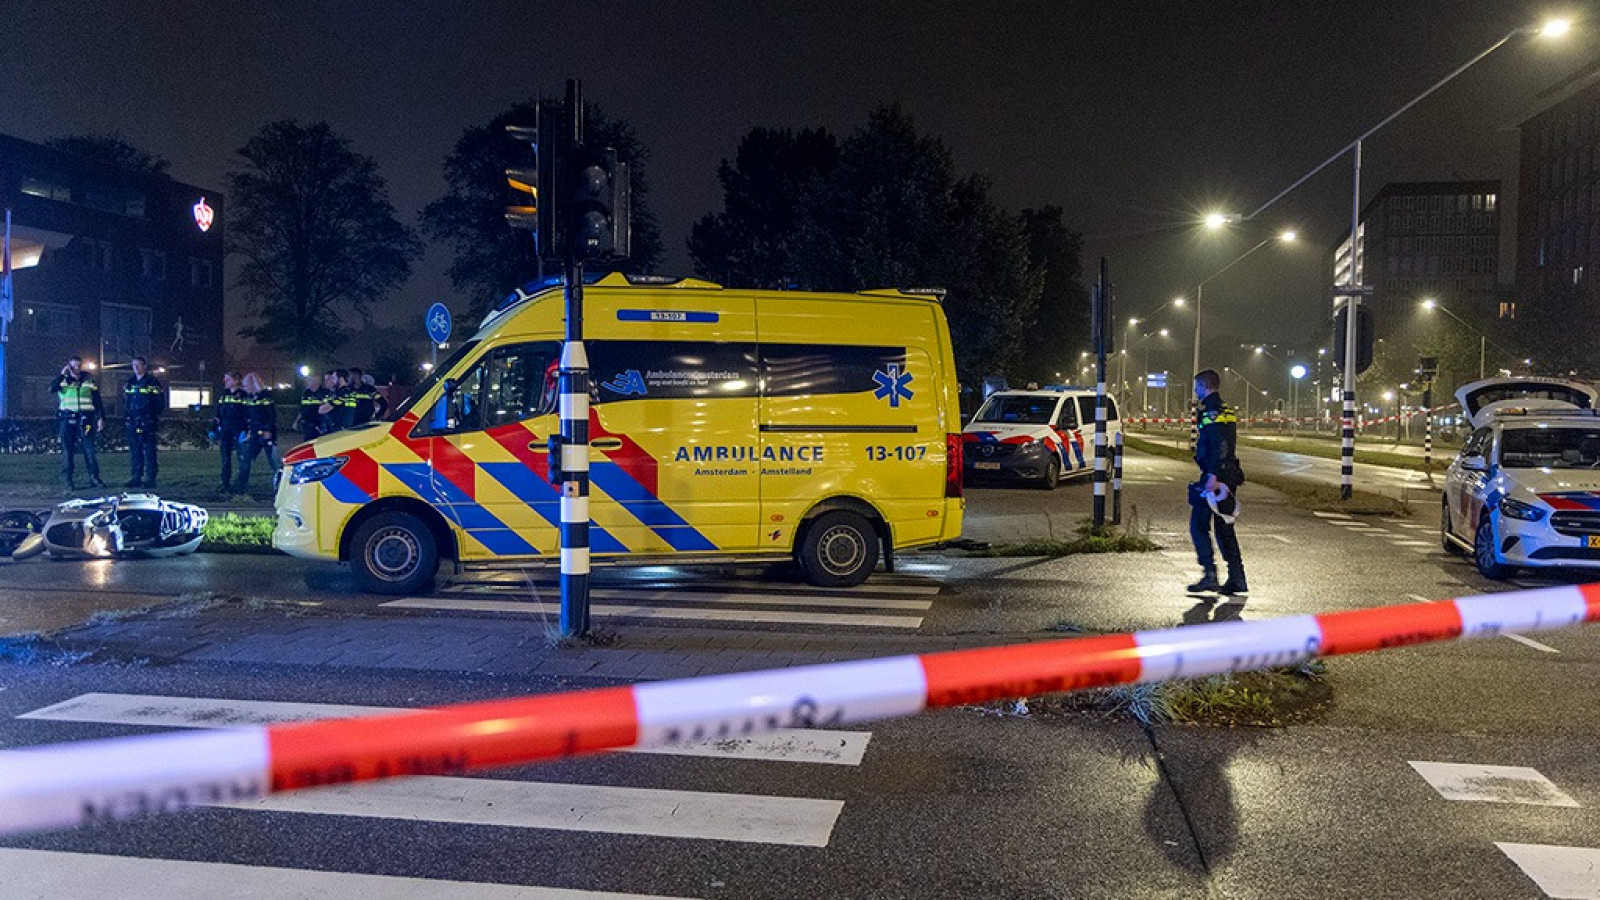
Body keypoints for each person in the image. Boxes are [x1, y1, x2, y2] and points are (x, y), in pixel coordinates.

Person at [1187, 368, 1247, 595]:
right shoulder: (1227, 409)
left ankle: (1210, 575)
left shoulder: (1211, 411)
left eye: (1197, 387)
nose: (1195, 391)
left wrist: (1212, 475)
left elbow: (1216, 444)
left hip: (1216, 476)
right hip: (1229, 473)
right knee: (1224, 527)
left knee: (1198, 525)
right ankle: (1237, 578)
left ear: (1205, 386)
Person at [50, 355, 105, 490]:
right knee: (68, 451)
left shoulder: (89, 381)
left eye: (78, 365)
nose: (76, 368)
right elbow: (51, 389)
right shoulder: (62, 381)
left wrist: (101, 418)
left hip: (86, 420)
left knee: (89, 449)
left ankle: (94, 478)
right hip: (67, 419)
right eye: (73, 366)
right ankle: (67, 481)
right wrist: (61, 375)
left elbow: (97, 401)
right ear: (68, 366)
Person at [122, 355, 165, 488]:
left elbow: (159, 402)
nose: (135, 368)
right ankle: (136, 477)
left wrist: (151, 417)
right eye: (134, 365)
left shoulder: (152, 382)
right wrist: (128, 417)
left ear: (144, 366)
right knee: (135, 450)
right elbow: (126, 402)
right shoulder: (130, 382)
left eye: (138, 365)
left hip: (147, 421)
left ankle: (150, 478)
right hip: (133, 421)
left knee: (149, 450)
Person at [236, 373, 278, 493]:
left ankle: (281, 484)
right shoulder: (249, 398)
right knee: (246, 460)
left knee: (273, 461)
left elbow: (271, 415)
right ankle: (241, 486)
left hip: (266, 434)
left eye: (246, 385)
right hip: (254, 434)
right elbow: (248, 416)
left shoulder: (266, 396)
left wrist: (268, 430)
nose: (244, 387)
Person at [214, 372, 248, 494]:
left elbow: (247, 414)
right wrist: (214, 429)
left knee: (242, 459)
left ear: (236, 380)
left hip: (238, 431)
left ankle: (241, 485)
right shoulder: (223, 395)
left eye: (228, 379)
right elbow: (218, 414)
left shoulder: (244, 395)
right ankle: (225, 483)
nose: (225, 381)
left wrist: (245, 430)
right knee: (225, 459)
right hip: (226, 431)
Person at [294, 372, 325, 442]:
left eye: (309, 380)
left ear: (315, 382)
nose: (307, 382)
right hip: (307, 425)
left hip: (317, 425)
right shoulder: (306, 393)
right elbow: (303, 409)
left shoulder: (323, 394)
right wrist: (296, 421)